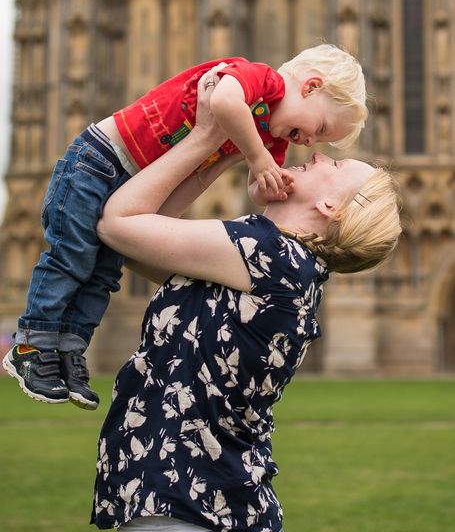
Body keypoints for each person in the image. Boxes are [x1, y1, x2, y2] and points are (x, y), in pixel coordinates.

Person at [91, 73, 401, 532]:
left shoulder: (270, 256)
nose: (320, 155)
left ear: (332, 209)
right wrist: (233, 154)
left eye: (338, 165)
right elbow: (144, 239)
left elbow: (117, 223)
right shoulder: (274, 263)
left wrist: (207, 136)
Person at [3, 44, 367, 410]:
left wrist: (268, 181)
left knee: (103, 272)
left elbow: (258, 192)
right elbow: (224, 101)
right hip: (103, 159)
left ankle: (69, 350)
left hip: (134, 177)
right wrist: (255, 156)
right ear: (309, 86)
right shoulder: (263, 80)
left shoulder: (270, 137)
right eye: (318, 129)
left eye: (321, 142)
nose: (309, 144)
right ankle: (33, 343)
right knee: (72, 258)